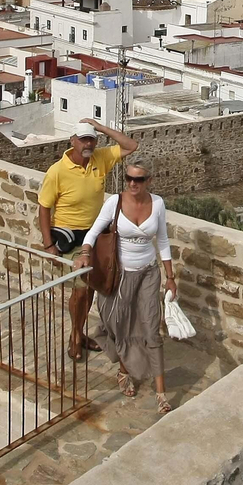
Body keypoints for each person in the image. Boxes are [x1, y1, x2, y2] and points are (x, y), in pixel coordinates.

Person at [76, 159, 178, 413]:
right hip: (120, 276)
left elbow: (162, 240)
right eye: (129, 178)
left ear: (149, 181)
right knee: (118, 324)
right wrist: (85, 252)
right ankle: (124, 370)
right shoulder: (115, 202)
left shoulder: (158, 204)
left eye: (139, 179)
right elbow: (93, 231)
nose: (133, 183)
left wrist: (170, 277)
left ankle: (161, 393)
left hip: (148, 274)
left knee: (151, 328)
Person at [37, 117, 138, 360]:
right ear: (72, 141)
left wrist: (101, 127)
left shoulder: (99, 159)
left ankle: (79, 334)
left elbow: (130, 146)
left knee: (91, 287)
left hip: (95, 235)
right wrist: (49, 244)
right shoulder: (57, 171)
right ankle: (75, 336)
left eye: (91, 139)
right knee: (81, 290)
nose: (88, 144)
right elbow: (43, 208)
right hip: (69, 236)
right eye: (83, 139)